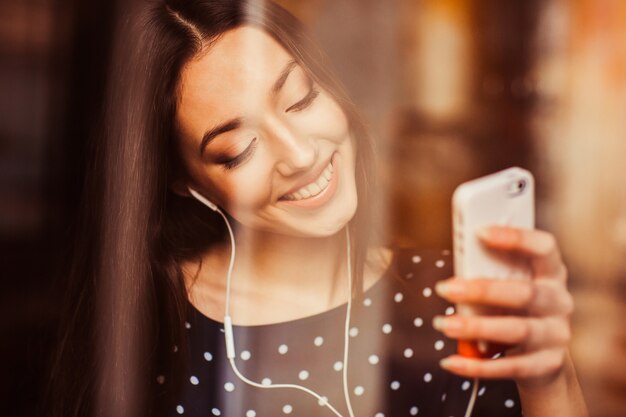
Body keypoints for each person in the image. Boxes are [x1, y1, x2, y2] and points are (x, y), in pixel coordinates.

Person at [46, 1, 589, 417]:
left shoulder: (460, 295)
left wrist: (551, 379)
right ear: (187, 185)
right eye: (239, 150)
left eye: (301, 98)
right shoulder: (148, 318)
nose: (301, 155)